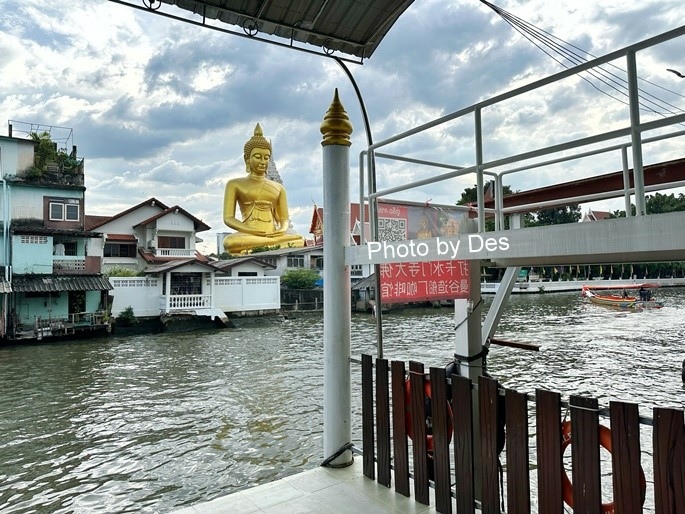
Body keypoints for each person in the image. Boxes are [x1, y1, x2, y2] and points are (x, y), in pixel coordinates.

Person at [223, 124, 305, 254]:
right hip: (249, 234)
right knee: (229, 242)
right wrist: (251, 231)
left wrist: (282, 230)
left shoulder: (278, 187)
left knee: (299, 240)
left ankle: (259, 248)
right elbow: (228, 218)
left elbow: (284, 219)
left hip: (273, 234)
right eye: (257, 157)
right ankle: (270, 247)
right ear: (247, 159)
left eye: (266, 158)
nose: (263, 161)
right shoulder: (234, 184)